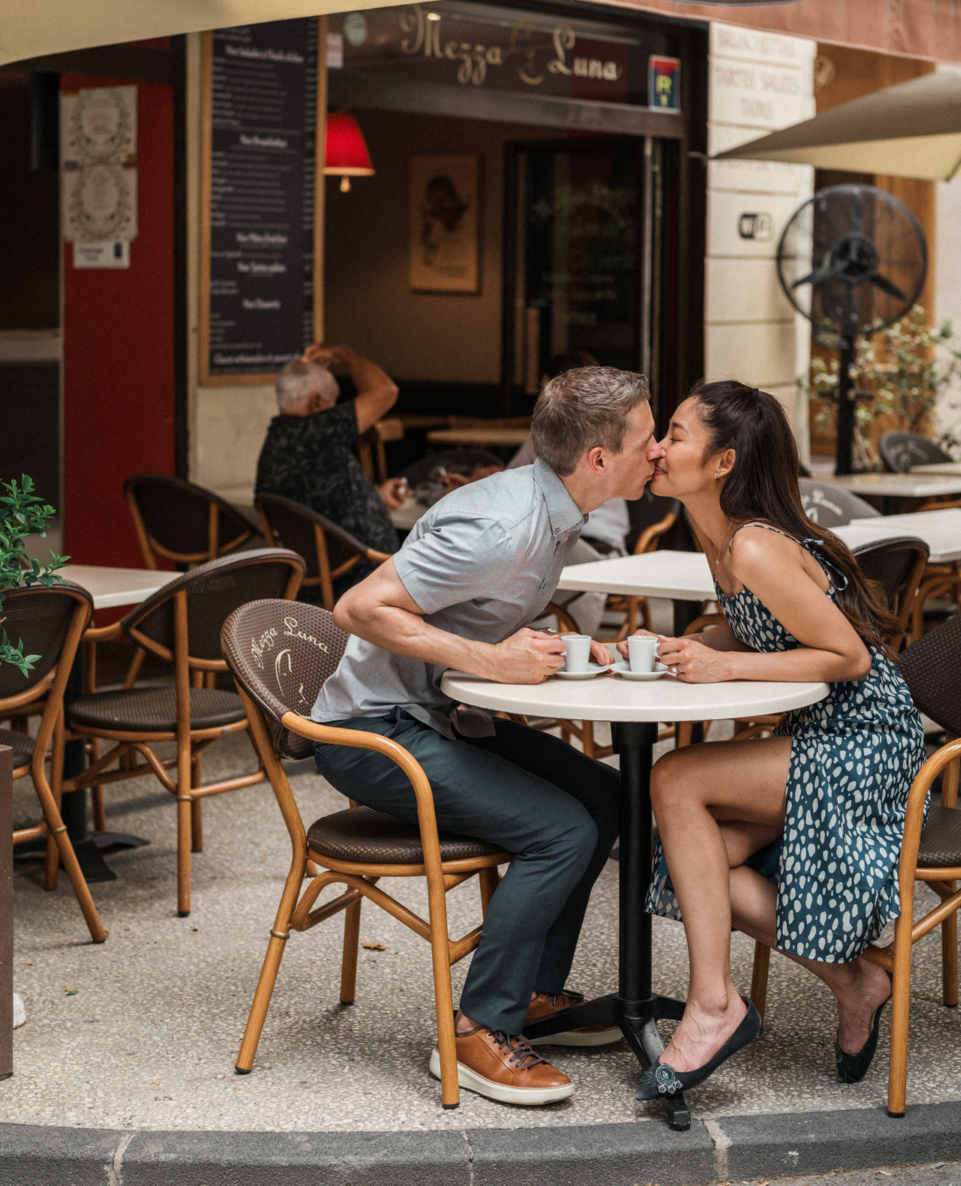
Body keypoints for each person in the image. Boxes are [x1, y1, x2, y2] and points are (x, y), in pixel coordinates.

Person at [312, 367, 661, 1105]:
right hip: (370, 731)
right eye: (647, 438)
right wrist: (490, 658)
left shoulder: (555, 508)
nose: (657, 451)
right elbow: (356, 608)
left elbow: (462, 610)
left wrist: (557, 646)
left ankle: (531, 995)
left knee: (603, 797)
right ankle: (473, 1032)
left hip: (438, 715)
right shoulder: (503, 526)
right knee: (561, 830)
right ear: (598, 459)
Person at [628, 380, 925, 1103]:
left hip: (864, 737)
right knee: (696, 866)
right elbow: (765, 627)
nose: (657, 448)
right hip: (819, 732)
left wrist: (722, 665)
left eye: (673, 433)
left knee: (674, 780)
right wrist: (688, 645)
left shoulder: (754, 545)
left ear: (723, 462)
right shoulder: (716, 537)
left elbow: (848, 657)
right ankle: (854, 980)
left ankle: (712, 1005)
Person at [255, 344, 406, 585]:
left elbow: (316, 502)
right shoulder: (318, 430)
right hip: (365, 578)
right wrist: (345, 354)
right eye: (333, 403)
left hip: (311, 580)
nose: (334, 411)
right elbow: (385, 390)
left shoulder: (276, 440)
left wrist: (375, 495)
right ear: (317, 403)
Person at [509, 351, 631, 635]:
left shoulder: (570, 435)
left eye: (546, 390)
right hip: (581, 546)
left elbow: (515, 479)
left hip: (589, 550)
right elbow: (516, 477)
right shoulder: (609, 431)